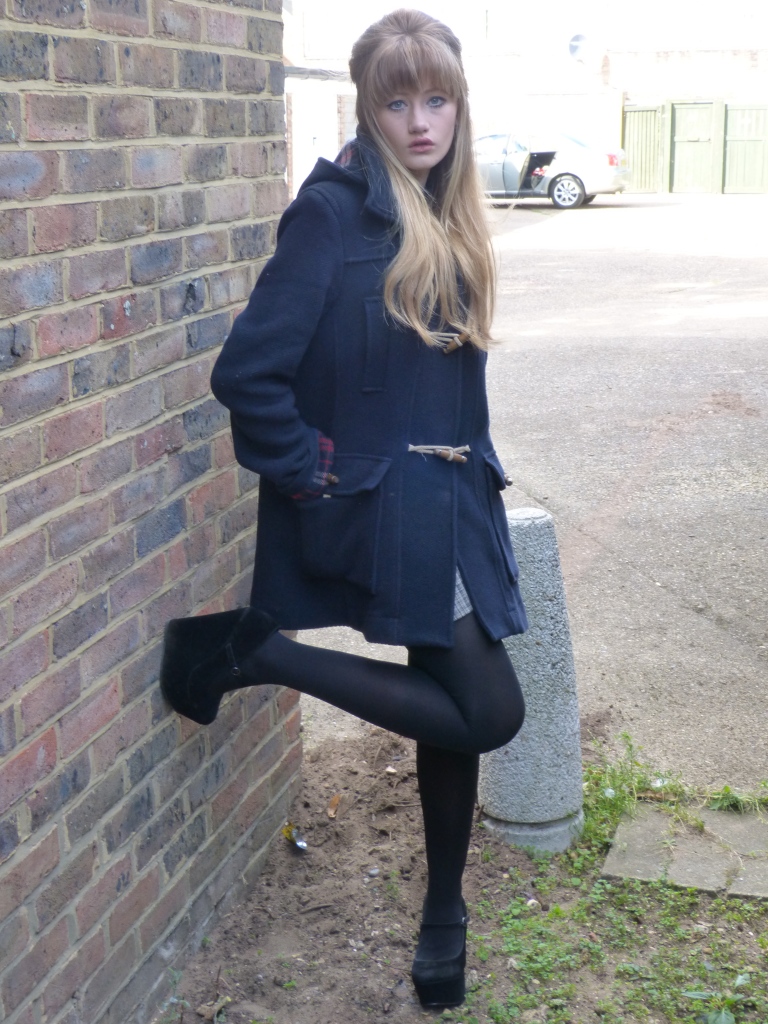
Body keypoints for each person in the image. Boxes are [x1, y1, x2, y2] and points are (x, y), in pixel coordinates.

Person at [161, 8, 527, 1009]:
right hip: (385, 506)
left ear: (459, 105)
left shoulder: (447, 207)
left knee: (456, 708)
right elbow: (249, 371)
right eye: (398, 103)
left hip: (455, 499)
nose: (420, 121)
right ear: (368, 110)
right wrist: (307, 470)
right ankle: (255, 651)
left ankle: (443, 910)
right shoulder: (331, 214)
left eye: (437, 99)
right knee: (490, 711)